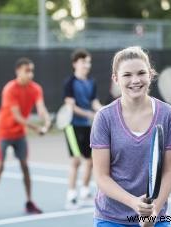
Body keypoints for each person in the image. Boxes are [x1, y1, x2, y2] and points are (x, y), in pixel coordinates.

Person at [90, 46, 171, 227]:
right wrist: (135, 204)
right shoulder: (104, 117)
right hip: (111, 218)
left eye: (141, 73)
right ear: (116, 79)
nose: (135, 80)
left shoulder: (168, 115)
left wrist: (153, 211)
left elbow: (170, 172)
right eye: (127, 75)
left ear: (150, 75)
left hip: (156, 217)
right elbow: (102, 177)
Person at [0, 57, 51, 220]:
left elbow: (41, 108)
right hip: (3, 132)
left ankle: (29, 201)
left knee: (25, 166)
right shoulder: (10, 89)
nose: (30, 74)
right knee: (0, 166)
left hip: (19, 134)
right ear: (18, 71)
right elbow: (17, 116)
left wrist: (47, 120)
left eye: (32, 70)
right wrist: (36, 128)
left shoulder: (36, 88)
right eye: (27, 71)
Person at [63, 49, 102, 210]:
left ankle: (85, 192)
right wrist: (90, 114)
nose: (87, 65)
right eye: (83, 61)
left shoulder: (91, 82)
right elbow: (70, 106)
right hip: (72, 126)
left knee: (91, 161)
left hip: (88, 126)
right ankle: (71, 196)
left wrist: (103, 111)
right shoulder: (70, 82)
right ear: (75, 64)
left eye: (88, 62)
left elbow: (94, 102)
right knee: (76, 161)